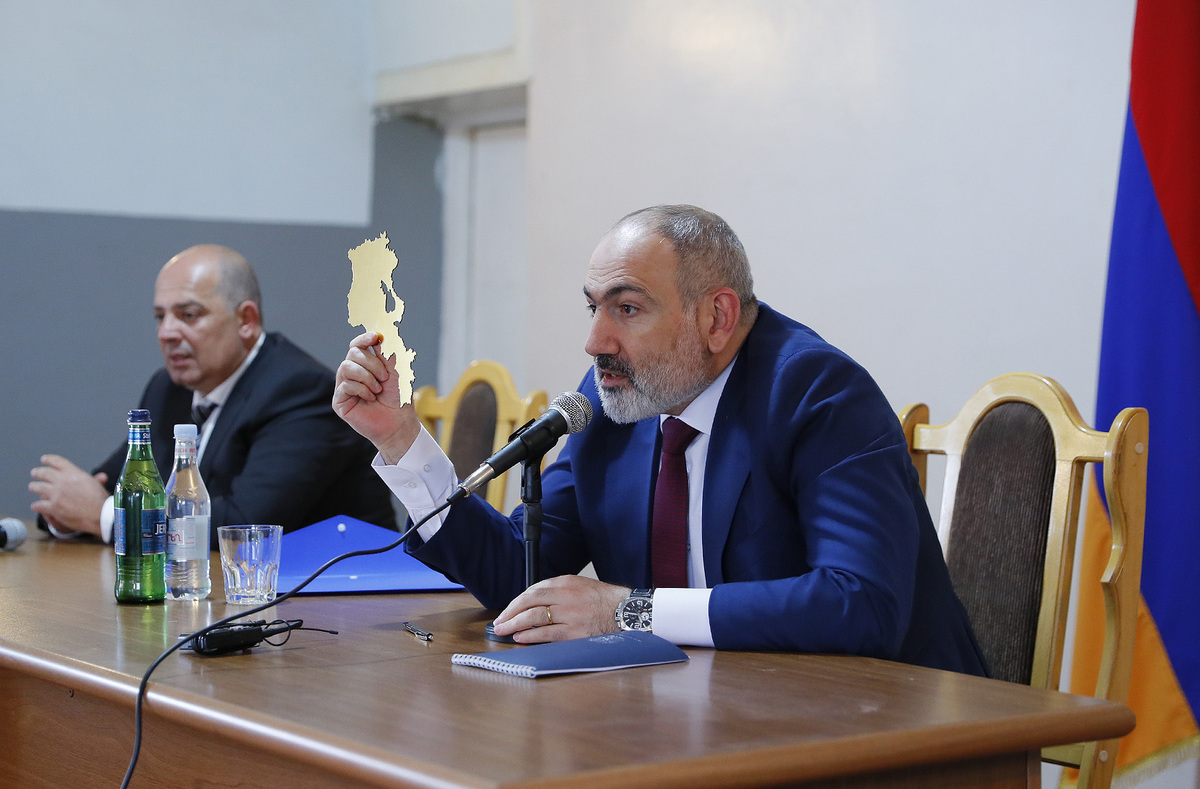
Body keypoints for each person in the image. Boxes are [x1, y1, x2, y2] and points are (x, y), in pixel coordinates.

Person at [333, 205, 987, 675]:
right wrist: (401, 441)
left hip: (893, 729)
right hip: (702, 713)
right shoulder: (611, 399)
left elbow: (860, 604)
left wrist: (632, 612)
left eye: (628, 308)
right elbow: (518, 577)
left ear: (717, 317)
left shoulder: (817, 393)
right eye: (593, 307)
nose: (595, 342)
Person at [30, 244, 397, 542]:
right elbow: (112, 485)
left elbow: (246, 525)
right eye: (160, 316)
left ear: (246, 320)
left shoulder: (300, 391)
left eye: (188, 315)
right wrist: (68, 513)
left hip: (347, 596)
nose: (166, 333)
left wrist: (106, 516)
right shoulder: (168, 388)